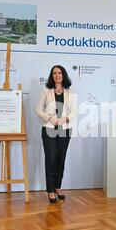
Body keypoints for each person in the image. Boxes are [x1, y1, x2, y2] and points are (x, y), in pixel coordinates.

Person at [36, 65, 77, 203]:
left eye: (59, 73)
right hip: (49, 128)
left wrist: (66, 119)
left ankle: (58, 187)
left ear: (63, 75)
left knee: (61, 159)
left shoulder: (70, 92)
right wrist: (50, 118)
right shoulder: (46, 91)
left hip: (65, 128)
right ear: (51, 76)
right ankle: (50, 190)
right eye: (54, 73)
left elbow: (74, 110)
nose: (57, 75)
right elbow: (38, 109)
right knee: (51, 159)